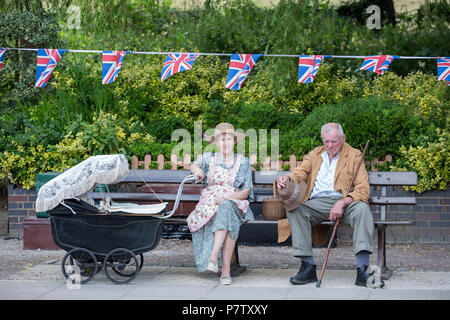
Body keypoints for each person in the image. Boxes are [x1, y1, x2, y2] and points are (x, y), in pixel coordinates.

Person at [277, 123, 375, 287]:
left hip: (346, 202)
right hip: (317, 203)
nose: (329, 146)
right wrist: (288, 177)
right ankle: (307, 267)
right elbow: (301, 171)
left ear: (343, 138)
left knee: (363, 209)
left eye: (334, 142)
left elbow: (363, 189)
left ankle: (362, 270)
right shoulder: (316, 153)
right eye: (326, 141)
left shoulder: (354, 155)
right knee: (295, 209)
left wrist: (342, 202)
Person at [187, 122, 254, 285]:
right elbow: (193, 165)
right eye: (222, 139)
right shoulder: (209, 158)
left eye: (229, 139)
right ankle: (225, 271)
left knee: (227, 207)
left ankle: (213, 257)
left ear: (234, 141)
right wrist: (196, 170)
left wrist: (227, 198)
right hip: (210, 204)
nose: (225, 142)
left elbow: (246, 192)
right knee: (227, 214)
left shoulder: (243, 162)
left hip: (235, 201)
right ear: (216, 142)